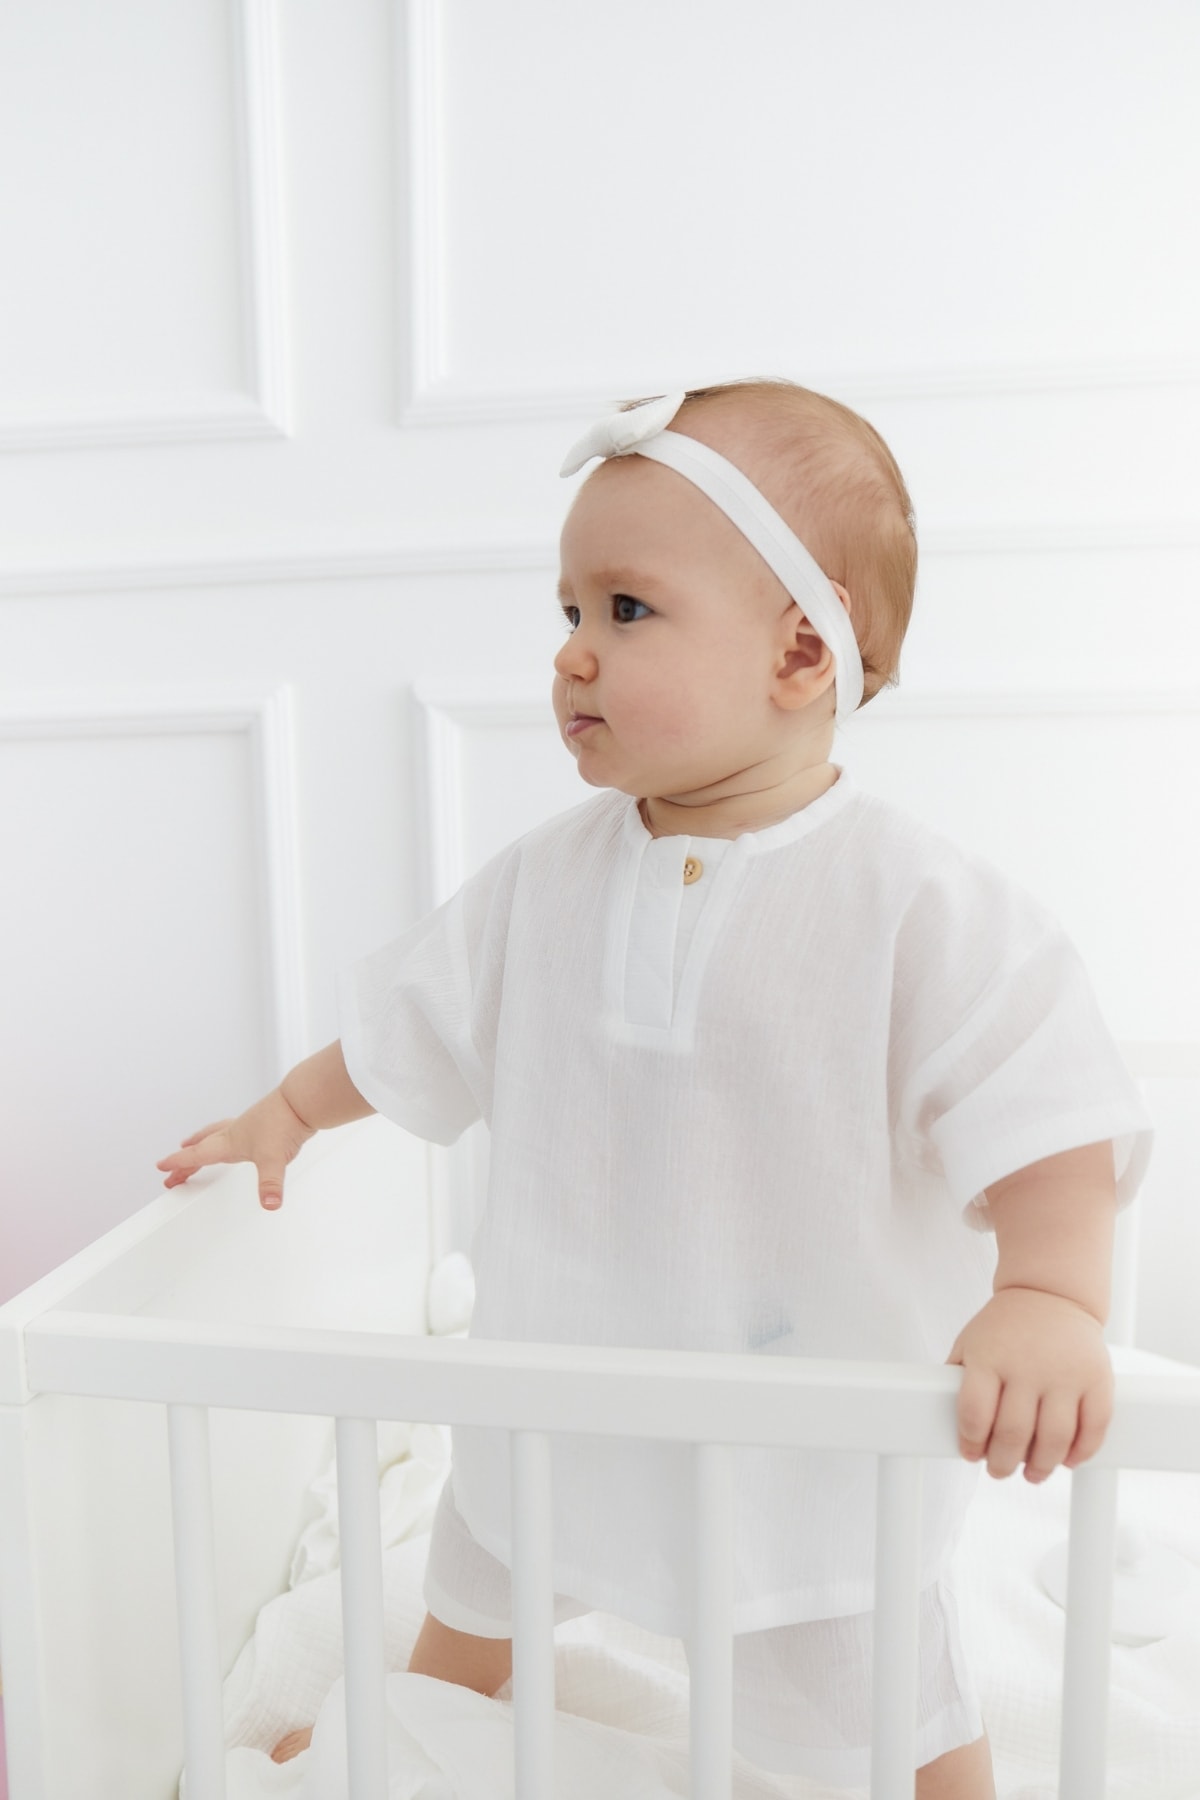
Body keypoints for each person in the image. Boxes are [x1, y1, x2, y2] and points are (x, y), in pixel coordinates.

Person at [157, 379, 1153, 1795]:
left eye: (626, 610)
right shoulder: (544, 883)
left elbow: (1042, 1104)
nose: (572, 653)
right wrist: (289, 1112)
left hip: (805, 1440)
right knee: (490, 1566)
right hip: (560, 1383)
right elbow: (415, 1020)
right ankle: (422, 1718)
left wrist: (1049, 1293)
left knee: (874, 1683)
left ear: (800, 650)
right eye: (568, 611)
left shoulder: (915, 902)